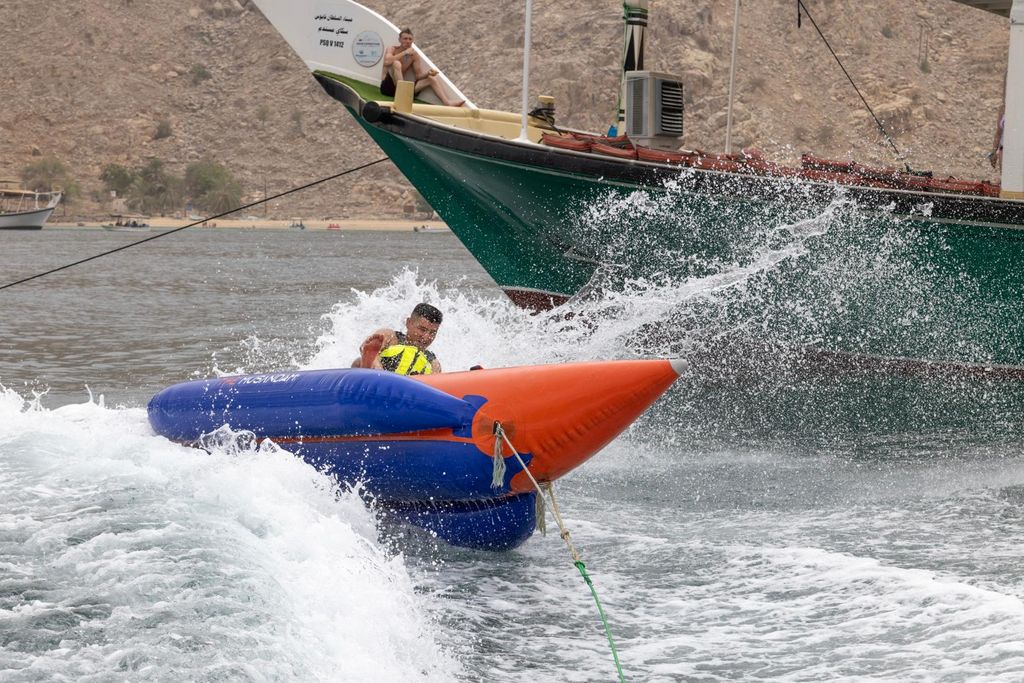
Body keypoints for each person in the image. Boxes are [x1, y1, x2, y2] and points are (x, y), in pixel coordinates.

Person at [380, 28, 464, 108]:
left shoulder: (414, 55)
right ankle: (403, 94)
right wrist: (405, 52)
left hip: (404, 90)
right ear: (400, 40)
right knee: (396, 63)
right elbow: (387, 61)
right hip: (387, 87)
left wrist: (428, 73)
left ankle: (447, 102)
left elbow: (418, 76)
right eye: (405, 39)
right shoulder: (392, 49)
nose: (408, 41)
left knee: (431, 78)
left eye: (410, 39)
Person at [352, 303, 443, 375]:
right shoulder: (390, 337)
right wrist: (377, 366)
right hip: (377, 377)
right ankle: (371, 363)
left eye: (432, 333)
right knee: (358, 362)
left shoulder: (432, 363)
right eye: (422, 330)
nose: (426, 337)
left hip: (407, 389)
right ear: (408, 323)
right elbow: (364, 346)